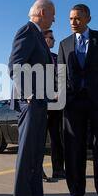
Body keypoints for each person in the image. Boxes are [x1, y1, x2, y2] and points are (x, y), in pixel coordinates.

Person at [58, 4, 98, 196]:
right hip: (73, 105)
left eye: (77, 18)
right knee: (74, 150)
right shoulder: (64, 44)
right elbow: (60, 75)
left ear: (88, 19)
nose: (73, 23)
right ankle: (76, 193)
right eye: (70, 19)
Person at [8, 0, 58, 196]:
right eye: (53, 14)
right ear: (42, 12)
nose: (54, 19)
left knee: (37, 156)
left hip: (41, 102)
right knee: (27, 155)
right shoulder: (27, 31)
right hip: (31, 103)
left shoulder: (38, 35)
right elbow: (15, 64)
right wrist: (28, 93)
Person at [43, 29, 65, 180]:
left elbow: (62, 77)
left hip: (56, 105)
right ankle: (37, 170)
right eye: (51, 38)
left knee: (57, 138)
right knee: (39, 140)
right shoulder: (35, 57)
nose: (54, 41)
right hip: (41, 104)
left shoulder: (57, 58)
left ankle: (58, 169)